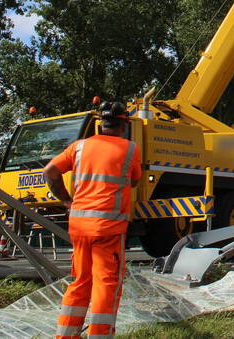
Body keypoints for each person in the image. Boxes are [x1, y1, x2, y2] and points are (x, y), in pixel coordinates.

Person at [45, 101, 142, 339]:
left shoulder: (79, 147)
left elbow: (50, 171)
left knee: (80, 281)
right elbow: (135, 181)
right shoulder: (130, 149)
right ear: (124, 125)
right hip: (108, 228)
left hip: (79, 226)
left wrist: (67, 201)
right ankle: (100, 335)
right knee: (106, 284)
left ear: (100, 124)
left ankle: (66, 335)